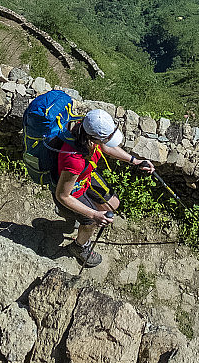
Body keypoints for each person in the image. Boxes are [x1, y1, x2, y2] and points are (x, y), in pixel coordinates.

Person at [52, 108, 155, 267]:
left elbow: (106, 147)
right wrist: (94, 215)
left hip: (86, 175)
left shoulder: (85, 129)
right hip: (73, 189)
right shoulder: (73, 159)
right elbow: (63, 196)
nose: (107, 142)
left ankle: (72, 215)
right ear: (94, 138)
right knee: (90, 223)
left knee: (112, 204)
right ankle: (79, 247)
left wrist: (135, 161)